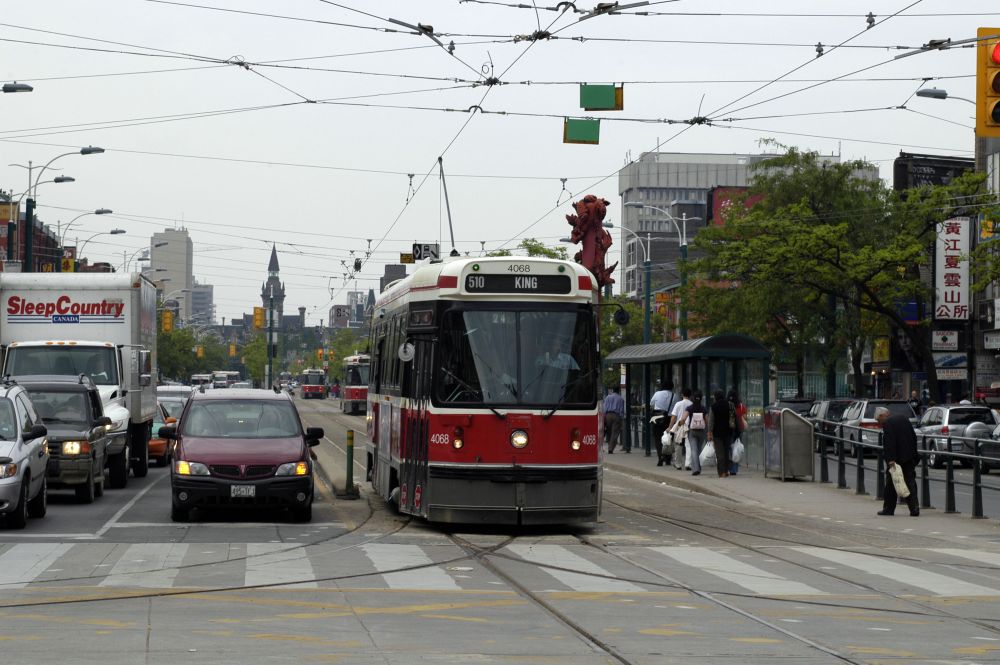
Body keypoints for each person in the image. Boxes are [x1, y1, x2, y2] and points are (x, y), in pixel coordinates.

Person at [875, 406, 920, 516]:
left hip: (897, 459)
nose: (879, 423)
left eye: (878, 420)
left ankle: (888, 509)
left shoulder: (888, 424)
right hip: (909, 456)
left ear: (882, 416)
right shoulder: (904, 418)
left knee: (891, 484)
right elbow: (913, 437)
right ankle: (914, 508)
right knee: (910, 482)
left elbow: (890, 443)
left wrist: (891, 460)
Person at [707, 390, 736, 478]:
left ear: (715, 397)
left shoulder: (713, 406)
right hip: (728, 431)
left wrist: (709, 432)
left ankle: (722, 472)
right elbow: (734, 416)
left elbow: (711, 421)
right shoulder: (730, 404)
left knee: (720, 453)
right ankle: (727, 470)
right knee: (727, 451)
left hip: (717, 432)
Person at [650, 380, 676, 465]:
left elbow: (651, 403)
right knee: (669, 438)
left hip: (657, 417)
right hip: (669, 419)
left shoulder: (657, 393)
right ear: (672, 387)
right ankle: (668, 459)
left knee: (658, 438)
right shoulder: (674, 396)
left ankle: (660, 456)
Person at [667, 387, 693, 469]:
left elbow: (673, 417)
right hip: (689, 427)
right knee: (689, 446)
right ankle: (688, 464)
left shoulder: (678, 404)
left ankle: (678, 464)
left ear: (682, 395)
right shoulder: (692, 404)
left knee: (678, 445)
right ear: (690, 395)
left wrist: (670, 427)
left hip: (679, 426)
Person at [684, 390, 708, 476]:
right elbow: (707, 420)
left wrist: (680, 423)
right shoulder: (703, 408)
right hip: (701, 431)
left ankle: (696, 469)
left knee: (693, 450)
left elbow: (684, 418)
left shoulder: (690, 408)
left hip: (692, 431)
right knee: (698, 449)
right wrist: (708, 430)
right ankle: (698, 467)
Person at [727, 390, 747, 475]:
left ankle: (730, 466)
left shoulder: (727, 405)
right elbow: (745, 416)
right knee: (736, 448)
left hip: (729, 429)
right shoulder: (741, 406)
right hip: (739, 429)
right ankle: (734, 469)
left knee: (729, 448)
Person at [603, 386, 625, 454]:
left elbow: (604, 407)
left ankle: (607, 445)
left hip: (608, 415)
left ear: (612, 390)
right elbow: (621, 410)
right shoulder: (621, 399)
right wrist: (621, 419)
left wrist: (604, 416)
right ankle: (610, 449)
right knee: (614, 433)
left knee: (608, 431)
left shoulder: (608, 397)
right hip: (616, 416)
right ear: (619, 391)